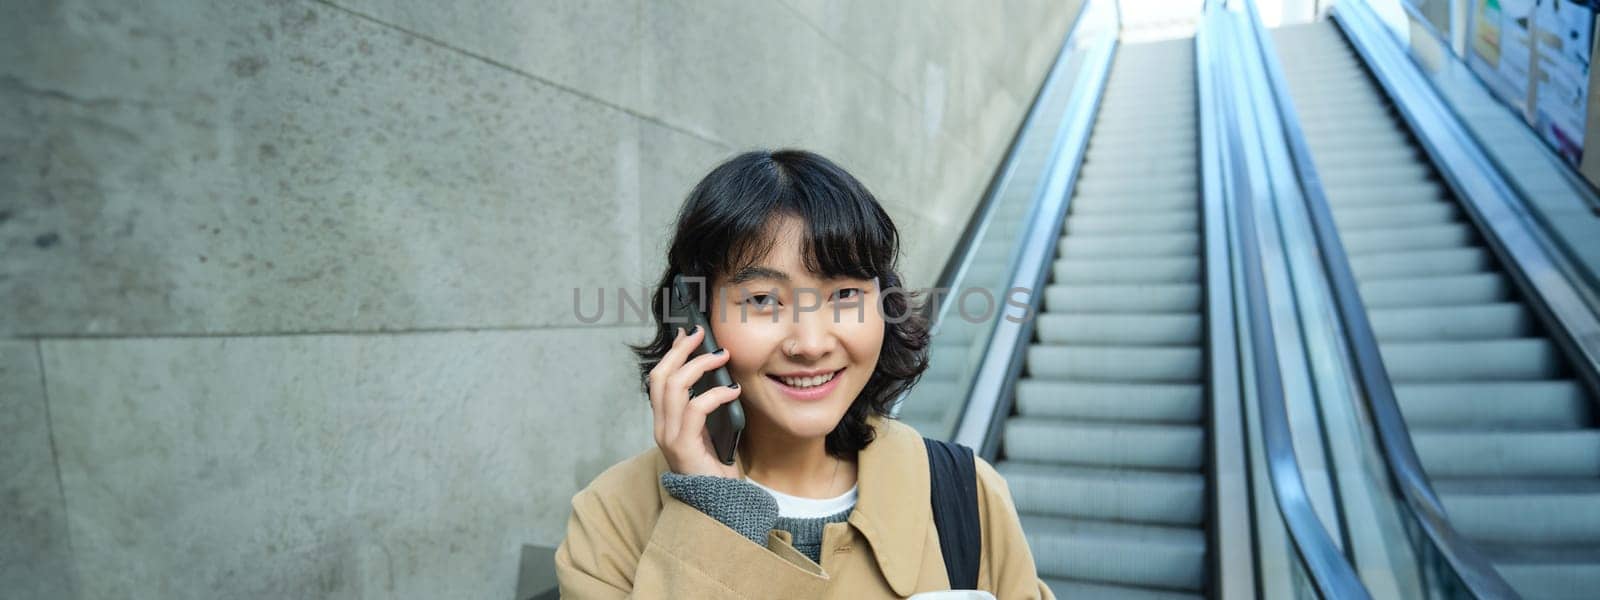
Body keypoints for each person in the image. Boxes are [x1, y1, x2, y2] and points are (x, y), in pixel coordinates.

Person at [554, 149, 1054, 598]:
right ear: (694, 319)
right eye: (763, 300)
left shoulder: (965, 494)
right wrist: (717, 516)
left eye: (844, 295)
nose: (812, 344)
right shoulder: (612, 519)